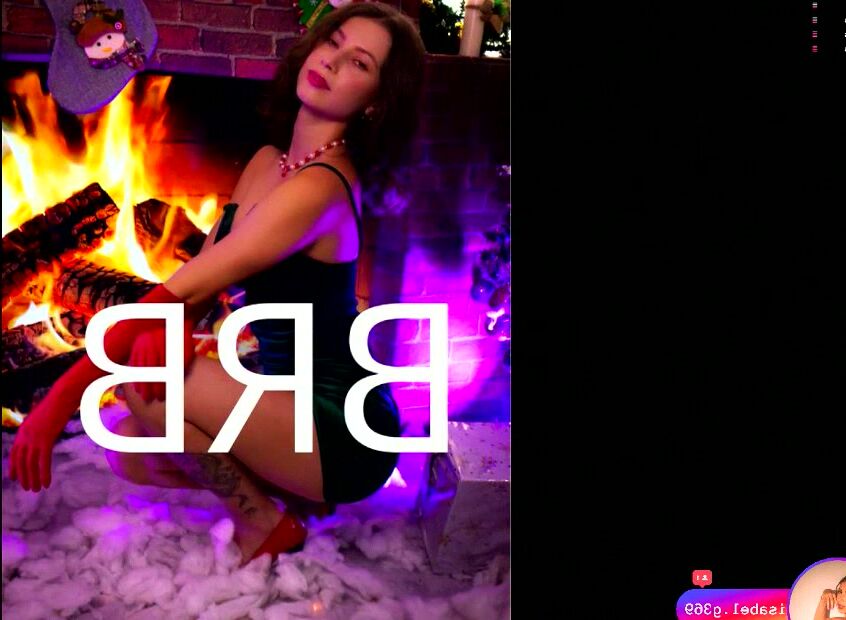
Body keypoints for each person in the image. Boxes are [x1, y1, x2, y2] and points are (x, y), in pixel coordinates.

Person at [9, 2, 426, 566]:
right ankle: (291, 490)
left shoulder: (323, 187)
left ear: (376, 102)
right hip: (283, 400)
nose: (331, 61)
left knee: (143, 381)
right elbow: (199, 282)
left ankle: (264, 524)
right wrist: (174, 324)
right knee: (129, 448)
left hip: (342, 425)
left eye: (359, 62)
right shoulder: (268, 162)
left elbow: (179, 291)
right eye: (333, 42)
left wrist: (56, 404)